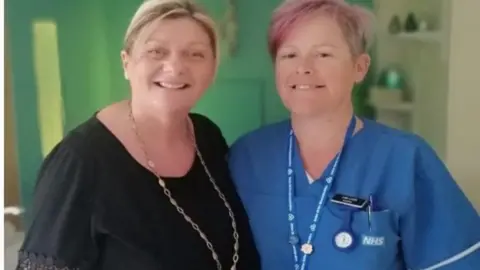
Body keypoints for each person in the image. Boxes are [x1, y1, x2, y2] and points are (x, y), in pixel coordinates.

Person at [228, 0, 480, 269]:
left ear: (360, 67)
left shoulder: (405, 159)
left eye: (323, 54)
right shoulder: (247, 156)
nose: (303, 67)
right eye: (289, 55)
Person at [17, 0, 260, 269]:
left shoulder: (208, 137)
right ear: (127, 63)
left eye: (195, 54)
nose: (175, 67)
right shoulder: (80, 162)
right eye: (156, 51)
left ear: (212, 69)